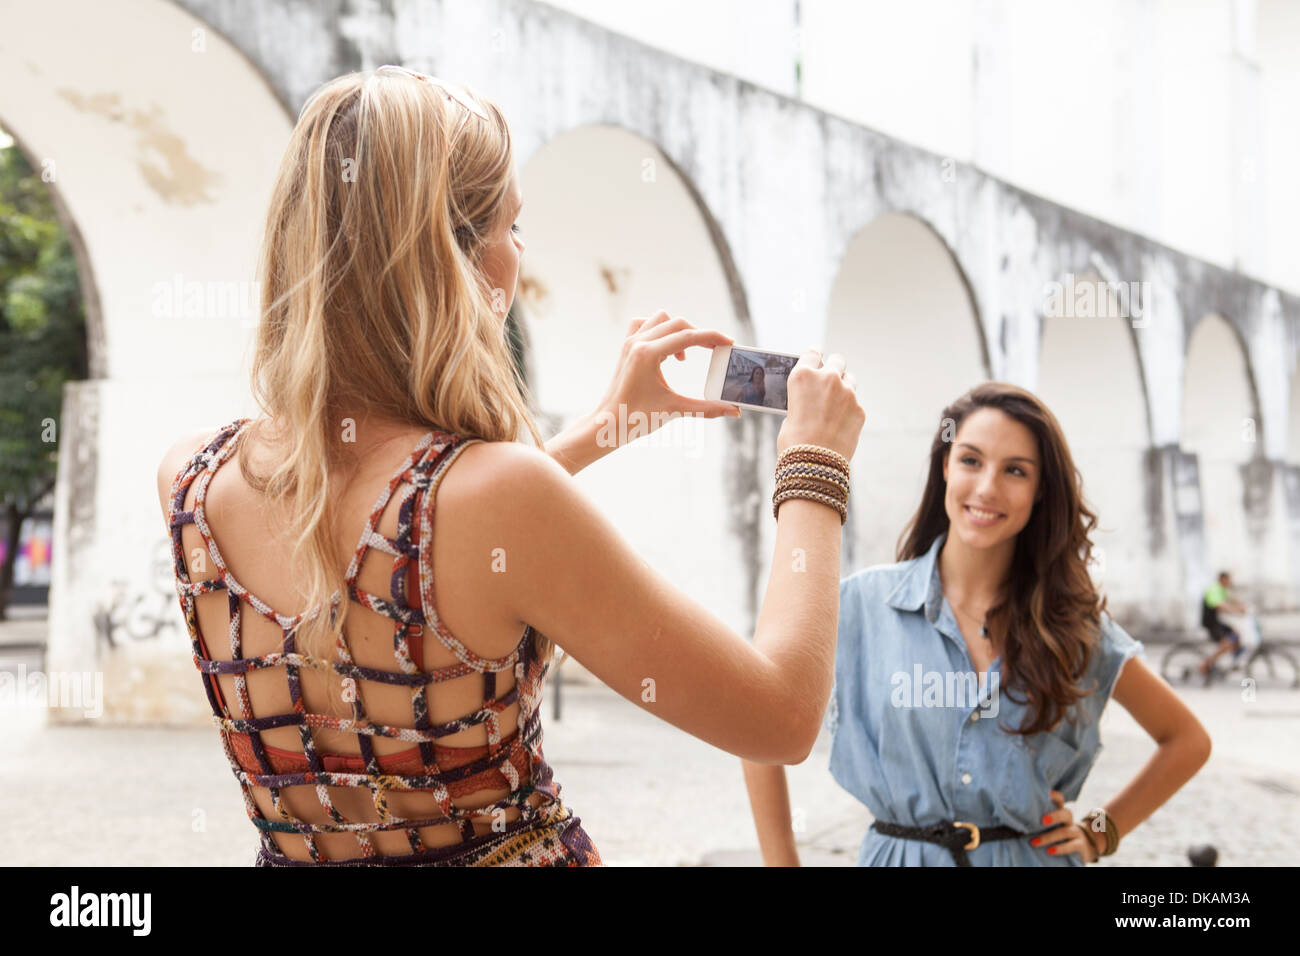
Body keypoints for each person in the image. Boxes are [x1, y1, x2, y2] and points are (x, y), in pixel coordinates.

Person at [153, 65, 865, 866]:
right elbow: (779, 717)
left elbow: (406, 554)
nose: (518, 257)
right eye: (512, 227)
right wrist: (815, 466)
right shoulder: (502, 497)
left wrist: (603, 429)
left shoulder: (192, 481)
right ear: (453, 257)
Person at [742, 382, 1212, 866]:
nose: (987, 487)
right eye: (970, 460)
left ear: (1040, 490)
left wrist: (1101, 831)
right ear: (945, 466)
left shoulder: (1073, 628)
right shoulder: (859, 605)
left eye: (1015, 470)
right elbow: (755, 723)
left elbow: (1187, 740)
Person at [1199, 571, 1248, 682]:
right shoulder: (1214, 589)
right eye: (1229, 580)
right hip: (1210, 622)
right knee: (1226, 643)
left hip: (1216, 621)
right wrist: (1237, 610)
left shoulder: (1222, 590)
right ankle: (1205, 664)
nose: (1230, 583)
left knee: (1236, 634)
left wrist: (1243, 606)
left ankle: (1235, 660)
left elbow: (1231, 600)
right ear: (1223, 579)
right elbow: (1220, 606)